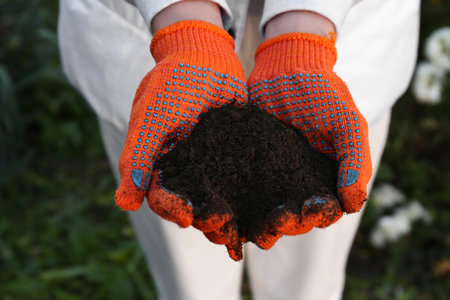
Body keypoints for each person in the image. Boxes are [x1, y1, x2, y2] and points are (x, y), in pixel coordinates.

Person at [58, 0, 420, 299]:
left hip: (337, 50)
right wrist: (186, 28)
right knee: (189, 277)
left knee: (308, 280)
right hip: (161, 59)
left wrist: (302, 33)